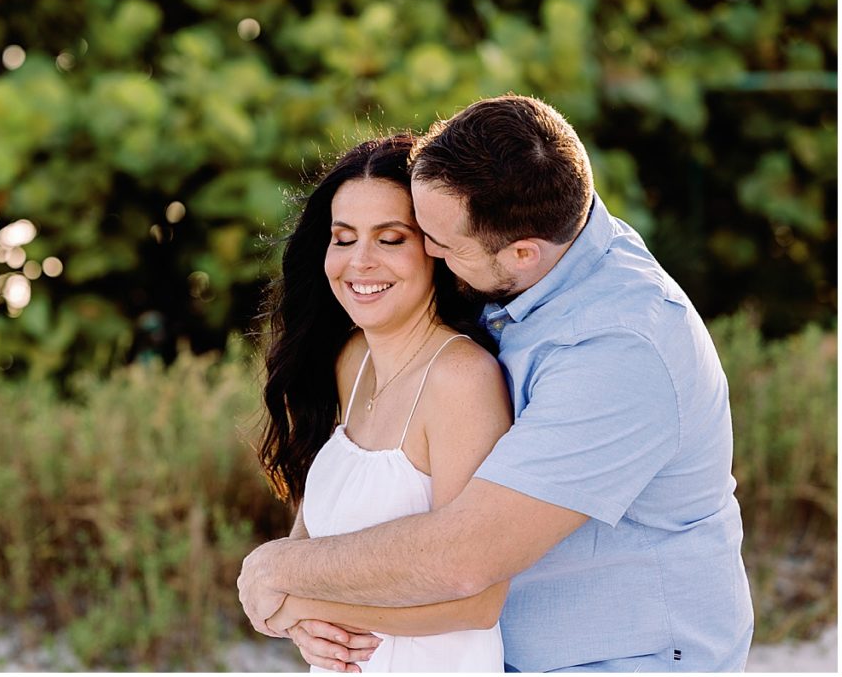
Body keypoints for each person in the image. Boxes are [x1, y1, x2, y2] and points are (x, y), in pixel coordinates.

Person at [240, 95, 755, 672]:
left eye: (437, 243)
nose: (427, 252)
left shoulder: (621, 350)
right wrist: (317, 614)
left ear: (522, 252)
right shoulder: (533, 246)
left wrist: (279, 574)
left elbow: (468, 558)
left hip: (622, 658)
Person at [251, 133, 517, 671]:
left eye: (390, 239)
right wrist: (302, 623)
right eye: (343, 238)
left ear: (434, 249)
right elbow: (312, 540)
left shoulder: (463, 380)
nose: (360, 262)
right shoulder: (352, 358)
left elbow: (479, 602)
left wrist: (294, 603)